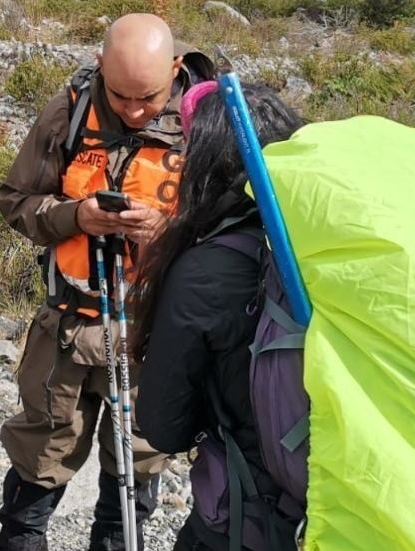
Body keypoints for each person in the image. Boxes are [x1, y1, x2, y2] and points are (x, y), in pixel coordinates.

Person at [0, 13, 213, 551]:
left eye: (149, 98)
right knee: (38, 465)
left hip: (153, 336)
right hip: (68, 329)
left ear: (176, 68)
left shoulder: (208, 123)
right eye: (120, 97)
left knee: (134, 475)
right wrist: (76, 217)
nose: (135, 111)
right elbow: (15, 202)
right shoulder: (68, 112)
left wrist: (170, 232)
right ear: (99, 68)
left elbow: (234, 236)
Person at [131, 82, 306, 551]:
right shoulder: (324, 250)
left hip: (247, 518)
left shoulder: (205, 272)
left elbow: (163, 426)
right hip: (348, 510)